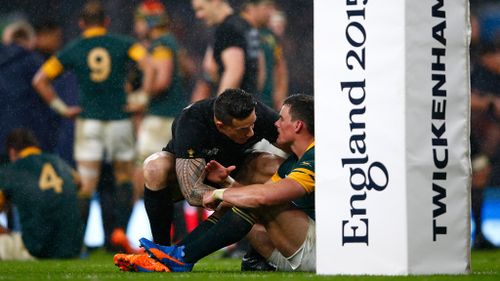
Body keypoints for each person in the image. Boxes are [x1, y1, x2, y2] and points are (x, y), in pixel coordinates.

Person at [116, 93, 315, 272]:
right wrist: (227, 183)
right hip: (294, 246)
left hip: (314, 251)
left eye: (281, 119)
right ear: (221, 125)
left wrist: (219, 192)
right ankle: (168, 255)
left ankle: (175, 257)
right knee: (155, 167)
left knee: (255, 199)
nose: (273, 124)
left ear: (297, 125)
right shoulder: (192, 123)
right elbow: (193, 193)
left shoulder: (315, 158)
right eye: (244, 128)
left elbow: (262, 197)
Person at [32, 0, 154, 253]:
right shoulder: (124, 43)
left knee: (87, 185)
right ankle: (119, 233)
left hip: (89, 123)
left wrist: (62, 108)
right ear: (106, 23)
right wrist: (142, 98)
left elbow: (40, 80)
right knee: (123, 179)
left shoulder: (75, 48)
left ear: (81, 24)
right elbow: (149, 66)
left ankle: (77, 244)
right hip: (119, 120)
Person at [0, 128, 83, 260]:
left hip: (36, 250)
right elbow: (79, 183)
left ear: (12, 152)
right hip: (73, 249)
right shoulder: (60, 162)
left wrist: (6, 232)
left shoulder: (10, 170)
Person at [191, 0, 261, 97]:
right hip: (251, 101)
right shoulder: (246, 25)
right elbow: (260, 69)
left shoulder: (227, 28)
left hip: (235, 106)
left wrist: (221, 108)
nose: (199, 15)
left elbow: (234, 71)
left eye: (201, 8)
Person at [241, 0, 288, 111]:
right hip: (244, 102)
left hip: (267, 103)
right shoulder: (237, 29)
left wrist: (280, 96)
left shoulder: (270, 36)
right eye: (267, 6)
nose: (271, 12)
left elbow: (280, 66)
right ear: (251, 7)